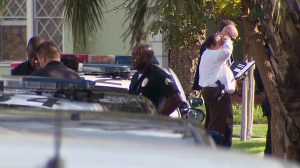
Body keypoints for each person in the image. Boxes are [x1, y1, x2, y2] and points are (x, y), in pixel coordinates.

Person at [193, 20, 237, 147]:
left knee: (215, 123)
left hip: (212, 90)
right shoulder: (213, 54)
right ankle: (211, 150)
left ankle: (212, 148)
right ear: (212, 45)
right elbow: (227, 52)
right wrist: (228, 39)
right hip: (216, 92)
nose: (223, 44)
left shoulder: (210, 53)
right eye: (220, 43)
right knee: (217, 126)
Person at [128, 43, 182, 116]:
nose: (133, 58)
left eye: (137, 55)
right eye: (132, 54)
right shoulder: (135, 77)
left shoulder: (157, 75)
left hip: (150, 124)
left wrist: (158, 118)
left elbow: (176, 99)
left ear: (148, 58)